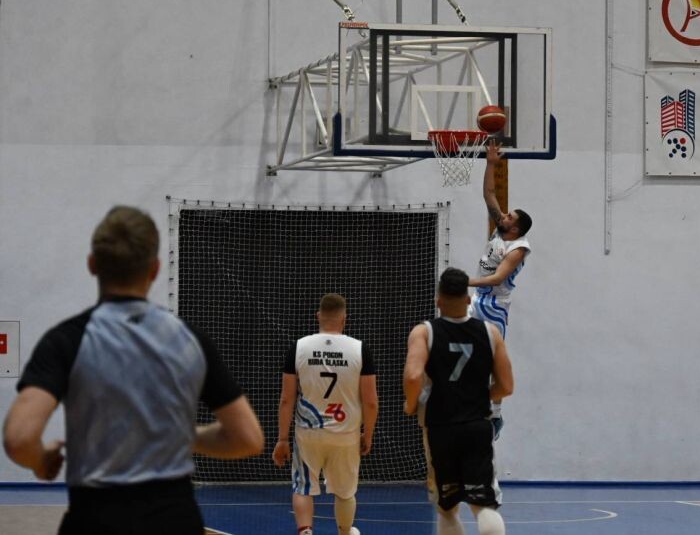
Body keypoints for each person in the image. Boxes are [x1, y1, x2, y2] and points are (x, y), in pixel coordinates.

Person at [2, 205, 264, 535]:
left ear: (92, 264)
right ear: (155, 269)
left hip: (96, 519)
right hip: (174, 520)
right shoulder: (189, 340)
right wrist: (183, 435)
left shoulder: (66, 339)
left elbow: (19, 439)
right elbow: (247, 439)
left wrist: (42, 460)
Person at [403, 267, 514, 535]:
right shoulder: (490, 332)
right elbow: (507, 386)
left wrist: (411, 404)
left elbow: (413, 375)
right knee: (484, 504)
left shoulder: (424, 332)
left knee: (447, 506)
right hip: (477, 426)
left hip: (440, 427)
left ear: (438, 299)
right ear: (468, 299)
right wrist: (478, 394)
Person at [272, 293, 378, 535]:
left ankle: (306, 532)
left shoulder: (299, 347)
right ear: (344, 319)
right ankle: (344, 532)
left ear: (318, 316)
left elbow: (287, 398)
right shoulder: (360, 349)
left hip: (308, 432)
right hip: (346, 432)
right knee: (345, 492)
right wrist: (368, 434)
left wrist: (282, 438)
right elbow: (371, 401)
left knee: (303, 488)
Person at [467, 141, 531, 437]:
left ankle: (495, 415)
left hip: (494, 306)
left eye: (509, 217)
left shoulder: (518, 248)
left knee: (491, 359)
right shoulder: (500, 229)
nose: (503, 215)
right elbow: (489, 194)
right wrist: (491, 162)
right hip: (477, 299)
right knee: (459, 345)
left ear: (515, 228)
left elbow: (497, 278)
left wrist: (464, 282)